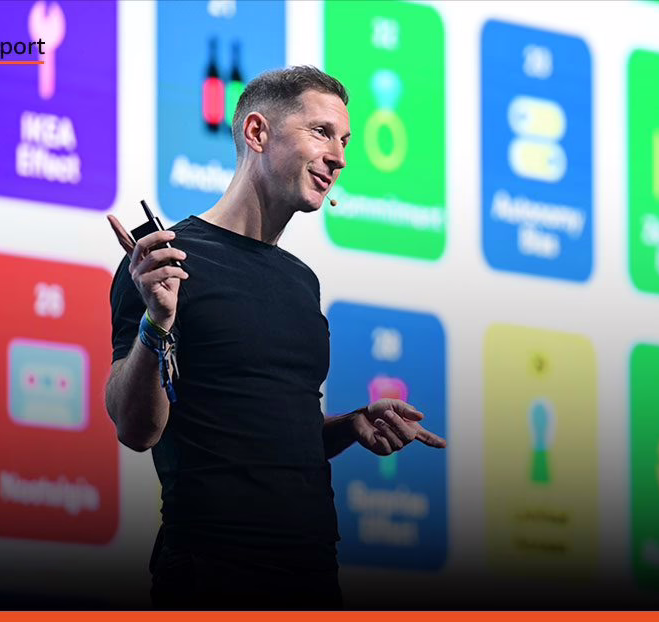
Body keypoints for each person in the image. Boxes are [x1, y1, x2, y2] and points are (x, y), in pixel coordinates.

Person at [104, 66, 446, 609]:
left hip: (312, 572)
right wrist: (157, 322)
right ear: (257, 132)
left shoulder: (300, 282)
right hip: (210, 572)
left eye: (345, 140)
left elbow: (264, 432)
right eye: (322, 132)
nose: (339, 157)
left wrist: (347, 426)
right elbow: (135, 428)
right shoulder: (165, 264)